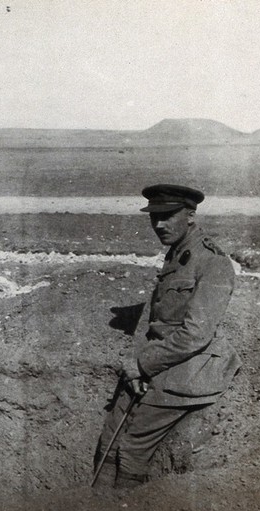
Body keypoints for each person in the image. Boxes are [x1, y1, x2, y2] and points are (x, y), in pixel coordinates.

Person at [93, 184, 241, 488]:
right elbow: (155, 318)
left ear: (190, 215)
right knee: (109, 438)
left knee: (132, 447)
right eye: (154, 217)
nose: (159, 225)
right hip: (162, 358)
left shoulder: (213, 262)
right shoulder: (178, 253)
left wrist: (144, 365)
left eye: (168, 216)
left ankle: (125, 508)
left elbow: (195, 334)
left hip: (190, 367)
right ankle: (95, 504)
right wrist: (138, 364)